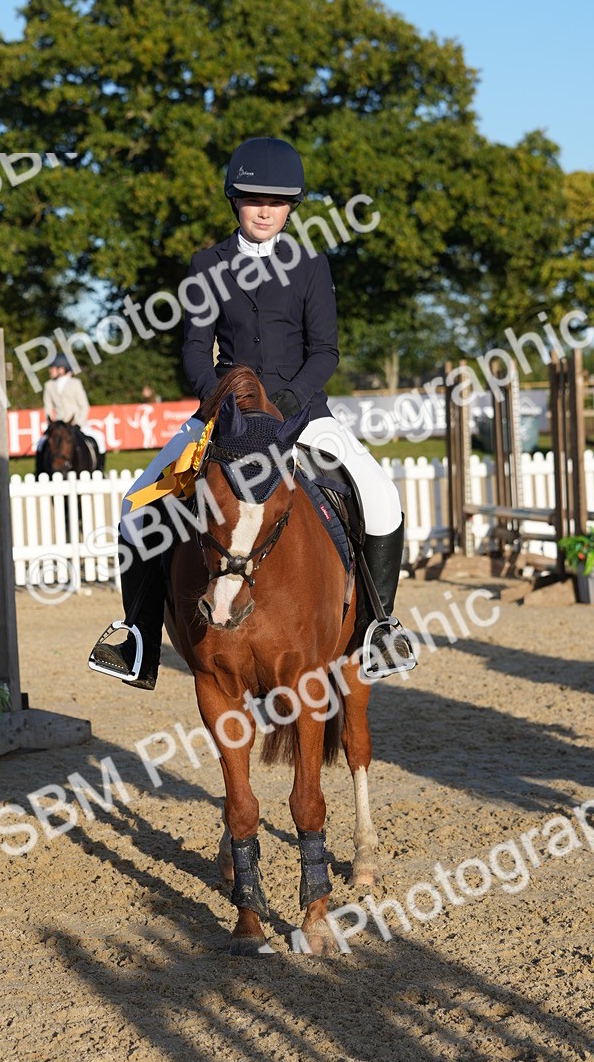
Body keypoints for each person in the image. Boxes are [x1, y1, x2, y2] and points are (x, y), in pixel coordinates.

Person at [89, 136, 415, 689]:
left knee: (383, 499)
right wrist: (224, 402)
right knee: (135, 504)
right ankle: (138, 635)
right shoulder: (205, 264)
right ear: (234, 200)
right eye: (253, 198)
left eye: (278, 201)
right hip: (225, 418)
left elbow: (326, 352)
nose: (265, 210)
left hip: (305, 417)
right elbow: (195, 350)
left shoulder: (311, 265)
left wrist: (284, 404)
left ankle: (377, 629)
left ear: (292, 206)